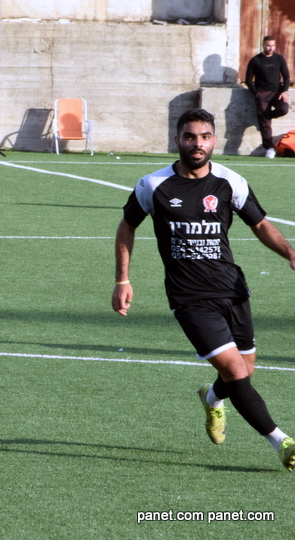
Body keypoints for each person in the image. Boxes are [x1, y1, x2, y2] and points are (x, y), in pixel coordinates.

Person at [112, 108, 295, 470]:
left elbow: (260, 224)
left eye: (205, 137)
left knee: (245, 370)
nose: (198, 144)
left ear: (214, 140)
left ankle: (212, 398)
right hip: (189, 297)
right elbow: (126, 227)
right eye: (190, 137)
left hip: (232, 289)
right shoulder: (153, 185)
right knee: (236, 371)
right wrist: (122, 280)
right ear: (177, 140)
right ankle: (282, 442)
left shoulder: (230, 182)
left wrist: (290, 253)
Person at [245, 36, 290, 158]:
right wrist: (256, 93)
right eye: (268, 45)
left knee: (283, 109)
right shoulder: (255, 60)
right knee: (265, 125)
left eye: (273, 45)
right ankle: (270, 148)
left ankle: (265, 116)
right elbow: (248, 80)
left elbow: (286, 77)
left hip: (277, 92)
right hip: (262, 93)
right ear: (263, 45)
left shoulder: (279, 59)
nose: (271, 48)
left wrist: (284, 91)